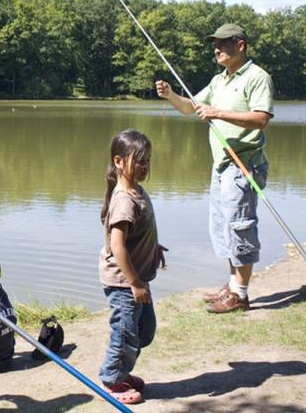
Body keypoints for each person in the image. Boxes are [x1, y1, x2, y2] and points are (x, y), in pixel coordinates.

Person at [156, 23, 273, 314]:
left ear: (240, 45)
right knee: (224, 227)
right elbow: (190, 107)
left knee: (241, 227)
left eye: (223, 43)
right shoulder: (219, 80)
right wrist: (171, 95)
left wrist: (217, 112)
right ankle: (232, 284)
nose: (216, 49)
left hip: (243, 163)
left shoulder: (258, 77)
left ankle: (241, 294)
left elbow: (260, 119)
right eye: (215, 44)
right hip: (221, 166)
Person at [98, 129, 165, 406]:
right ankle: (112, 380)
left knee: (144, 331)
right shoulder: (124, 199)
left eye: (147, 160)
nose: (144, 166)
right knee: (125, 334)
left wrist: (154, 248)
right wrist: (135, 284)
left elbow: (140, 232)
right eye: (138, 161)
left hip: (138, 280)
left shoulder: (136, 191)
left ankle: (122, 371)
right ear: (118, 161)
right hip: (124, 283)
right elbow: (118, 247)